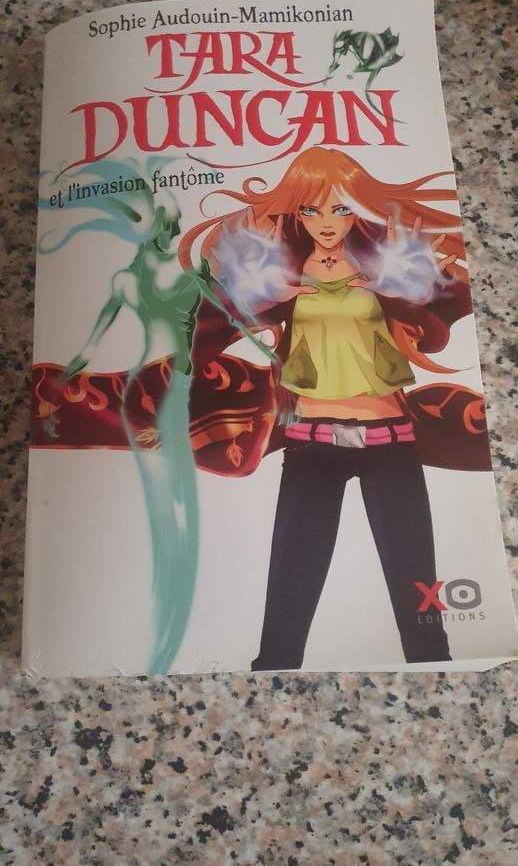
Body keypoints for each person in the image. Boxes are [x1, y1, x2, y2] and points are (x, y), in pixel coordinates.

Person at [179, 146, 471, 669]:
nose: (327, 222)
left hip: (390, 442)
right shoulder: (278, 267)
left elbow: (445, 312)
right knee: (284, 617)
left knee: (422, 608)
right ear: (295, 211)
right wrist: (260, 298)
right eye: (311, 209)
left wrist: (399, 293)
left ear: (358, 207)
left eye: (339, 208)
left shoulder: (388, 260)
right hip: (310, 445)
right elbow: (196, 341)